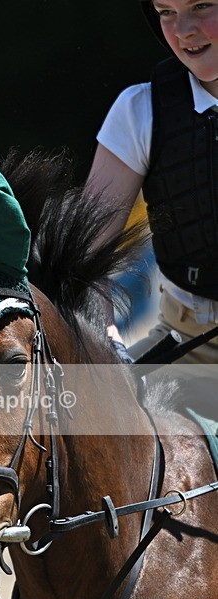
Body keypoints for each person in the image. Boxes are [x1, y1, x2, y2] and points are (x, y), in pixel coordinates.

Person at [87, 0, 218, 365]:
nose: (182, 30)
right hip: (190, 347)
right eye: (166, 12)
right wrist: (107, 341)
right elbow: (87, 261)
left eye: (202, 6)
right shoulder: (139, 110)